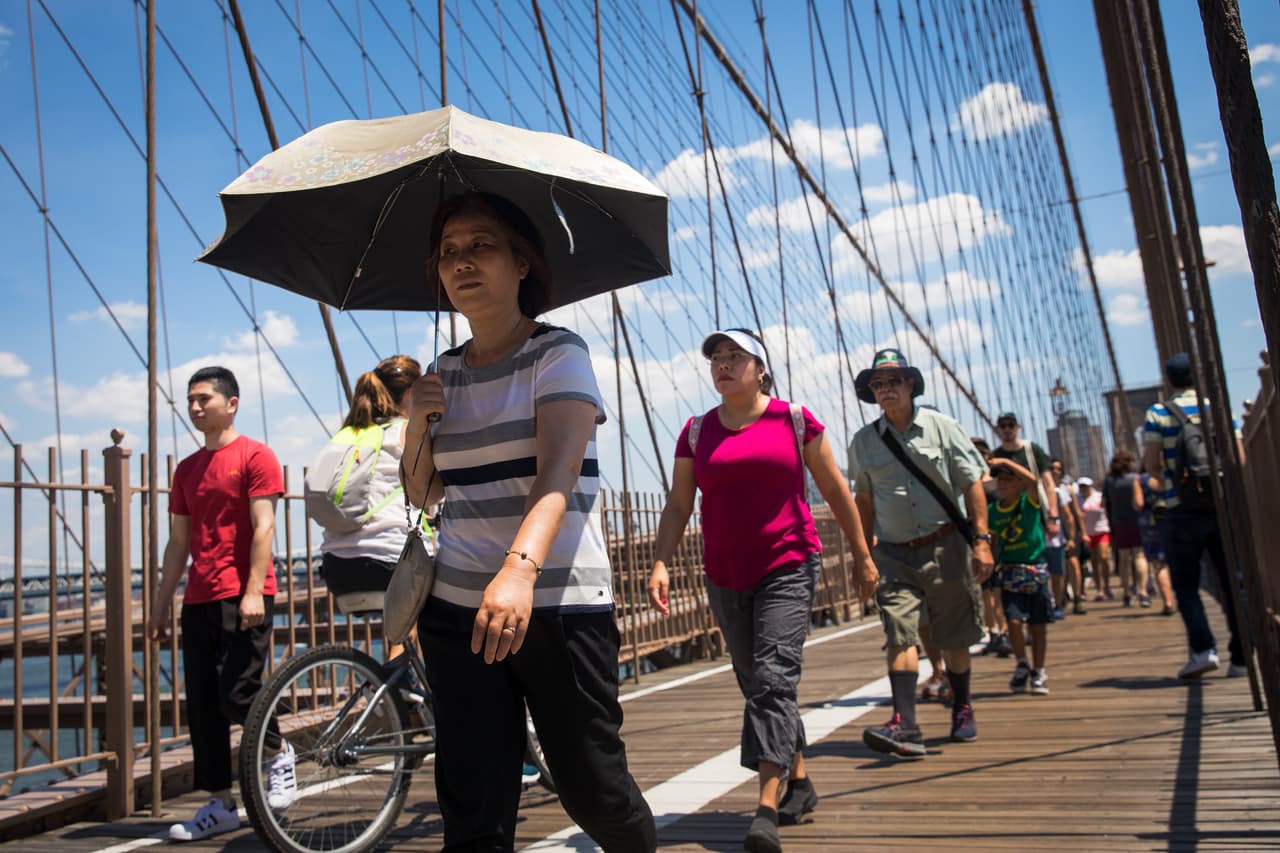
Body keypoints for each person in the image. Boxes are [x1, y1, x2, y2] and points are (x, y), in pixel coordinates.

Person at [400, 191, 656, 851]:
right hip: (459, 608)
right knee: (472, 803)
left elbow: (558, 473)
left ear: (521, 263)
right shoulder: (442, 373)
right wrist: (414, 424)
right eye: (448, 252)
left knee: (590, 785)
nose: (461, 262)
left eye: (480, 244)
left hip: (555, 604)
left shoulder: (557, 354)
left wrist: (517, 572)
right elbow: (424, 491)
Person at [646, 328, 878, 852]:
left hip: (788, 563)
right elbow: (680, 504)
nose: (723, 365)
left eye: (735, 357)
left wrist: (863, 555)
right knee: (757, 683)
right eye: (716, 358)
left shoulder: (795, 421)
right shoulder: (696, 431)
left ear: (761, 368)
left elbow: (838, 492)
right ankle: (799, 780)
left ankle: (765, 808)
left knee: (774, 678)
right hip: (723, 571)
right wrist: (660, 562)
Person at [147, 366, 286, 842]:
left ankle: (276, 753)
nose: (194, 407)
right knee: (204, 705)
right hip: (199, 598)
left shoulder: (256, 456)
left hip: (244, 593)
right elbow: (178, 542)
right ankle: (220, 805)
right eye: (190, 400)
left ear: (232, 403)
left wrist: (253, 590)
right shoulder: (186, 470)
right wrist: (162, 604)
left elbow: (264, 526)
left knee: (238, 691)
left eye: (204, 398)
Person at [848, 349, 993, 758]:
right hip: (893, 552)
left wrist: (981, 541)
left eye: (893, 381)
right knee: (899, 633)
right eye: (878, 384)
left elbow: (972, 485)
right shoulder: (863, 442)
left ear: (910, 384)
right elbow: (863, 499)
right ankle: (905, 723)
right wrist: (863, 554)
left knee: (954, 636)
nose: (885, 389)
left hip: (945, 544)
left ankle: (962, 706)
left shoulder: (943, 428)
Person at [1142, 352, 1247, 679]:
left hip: (1181, 508)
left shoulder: (1158, 413)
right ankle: (1242, 659)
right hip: (1220, 508)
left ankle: (1203, 650)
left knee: (1186, 585)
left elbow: (1152, 464)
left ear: (1169, 380)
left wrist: (1172, 473)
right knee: (1234, 583)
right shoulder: (1217, 407)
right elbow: (1239, 459)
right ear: (1195, 376)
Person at [317, 355, 424, 657]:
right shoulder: (407, 431)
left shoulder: (347, 435)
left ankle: (390, 687)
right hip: (388, 564)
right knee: (441, 607)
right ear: (410, 394)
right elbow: (431, 492)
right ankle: (402, 694)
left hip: (337, 566)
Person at [988, 456, 1053, 695]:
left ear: (1018, 482)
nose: (1002, 484)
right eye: (999, 480)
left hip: (1035, 569)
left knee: (1037, 625)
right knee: (1013, 621)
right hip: (1010, 572)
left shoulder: (1030, 502)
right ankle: (1021, 663)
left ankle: (1039, 670)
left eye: (1007, 480)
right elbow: (993, 542)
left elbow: (1033, 480)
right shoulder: (992, 511)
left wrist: (1004, 460)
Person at [991, 412, 1061, 543]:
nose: (1007, 429)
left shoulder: (1032, 450)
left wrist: (1053, 516)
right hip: (1008, 513)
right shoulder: (995, 455)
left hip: (1034, 509)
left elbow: (1048, 484)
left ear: (1018, 427)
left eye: (1011, 425)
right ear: (997, 429)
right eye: (1003, 425)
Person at [971, 438, 1011, 658]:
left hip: (1000, 542)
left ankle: (1004, 631)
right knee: (985, 592)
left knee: (998, 590)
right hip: (978, 542)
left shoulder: (999, 482)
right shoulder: (967, 482)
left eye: (981, 452)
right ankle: (994, 633)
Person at [1103, 450, 1149, 607]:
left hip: (1118, 523)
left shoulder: (1109, 481)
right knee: (1140, 556)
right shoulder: (1136, 479)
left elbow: (1104, 503)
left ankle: (1127, 593)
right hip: (1137, 521)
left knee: (1123, 558)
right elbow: (1141, 502)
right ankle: (1142, 592)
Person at [1050, 459, 1087, 615]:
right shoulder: (1042, 489)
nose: (1055, 471)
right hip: (1051, 536)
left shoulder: (1067, 489)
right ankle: (1061, 597)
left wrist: (1081, 533)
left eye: (1059, 468)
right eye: (1052, 468)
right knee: (1057, 571)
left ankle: (1077, 598)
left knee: (1073, 564)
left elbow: (1075, 513)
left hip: (1068, 532)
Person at [1138, 471, 1176, 615]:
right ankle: (1179, 596)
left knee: (1160, 565)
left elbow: (1138, 503)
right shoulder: (1173, 472)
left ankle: (1168, 602)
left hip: (1151, 526)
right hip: (1174, 520)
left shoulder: (1141, 480)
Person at [1077, 477, 1112, 601]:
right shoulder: (1078, 499)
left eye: (1085, 486)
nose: (1083, 489)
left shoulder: (1099, 496)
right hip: (1088, 534)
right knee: (1094, 562)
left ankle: (1107, 585)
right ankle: (1100, 589)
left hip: (1102, 530)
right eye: (1081, 486)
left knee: (1103, 557)